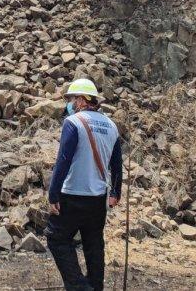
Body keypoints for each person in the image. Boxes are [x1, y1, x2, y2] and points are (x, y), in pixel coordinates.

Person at [46, 78, 123, 291]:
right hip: (98, 198)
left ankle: (80, 287)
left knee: (57, 239)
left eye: (71, 99)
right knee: (93, 245)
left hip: (72, 194)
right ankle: (96, 287)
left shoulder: (74, 122)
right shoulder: (111, 125)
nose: (70, 103)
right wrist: (116, 192)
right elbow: (117, 164)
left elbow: (63, 161)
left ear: (81, 100)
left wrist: (53, 195)